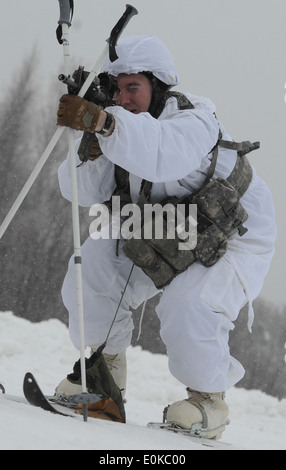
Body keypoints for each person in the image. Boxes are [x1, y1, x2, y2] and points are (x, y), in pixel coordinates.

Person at [55, 35, 276, 438]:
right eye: (116, 89)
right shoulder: (118, 125)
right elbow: (79, 190)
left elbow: (161, 155)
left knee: (189, 303)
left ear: (158, 86)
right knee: (93, 269)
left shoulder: (194, 119)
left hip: (234, 233)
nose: (123, 98)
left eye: (133, 87)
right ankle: (106, 380)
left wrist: (105, 121)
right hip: (164, 226)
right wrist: (92, 136)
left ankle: (208, 402)